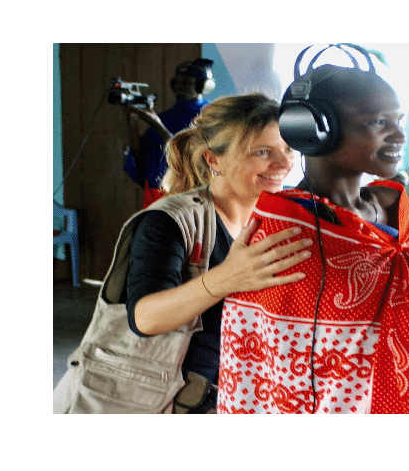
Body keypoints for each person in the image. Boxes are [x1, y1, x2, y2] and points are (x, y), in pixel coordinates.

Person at [216, 64, 409, 413]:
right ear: (313, 130)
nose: (399, 135)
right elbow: (402, 345)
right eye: (379, 122)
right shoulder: (288, 237)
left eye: (399, 119)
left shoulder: (394, 210)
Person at [111, 93, 310, 413]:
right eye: (263, 152)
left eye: (288, 149)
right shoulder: (169, 220)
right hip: (186, 396)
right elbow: (144, 317)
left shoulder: (279, 218)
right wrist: (225, 279)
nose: (285, 164)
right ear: (213, 160)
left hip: (255, 389)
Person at [124, 59, 214, 208]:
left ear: (201, 85)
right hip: (155, 193)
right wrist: (131, 120)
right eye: (177, 82)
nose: (180, 87)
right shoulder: (165, 117)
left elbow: (189, 156)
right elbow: (140, 157)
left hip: (189, 195)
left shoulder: (210, 117)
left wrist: (156, 125)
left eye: (186, 82)